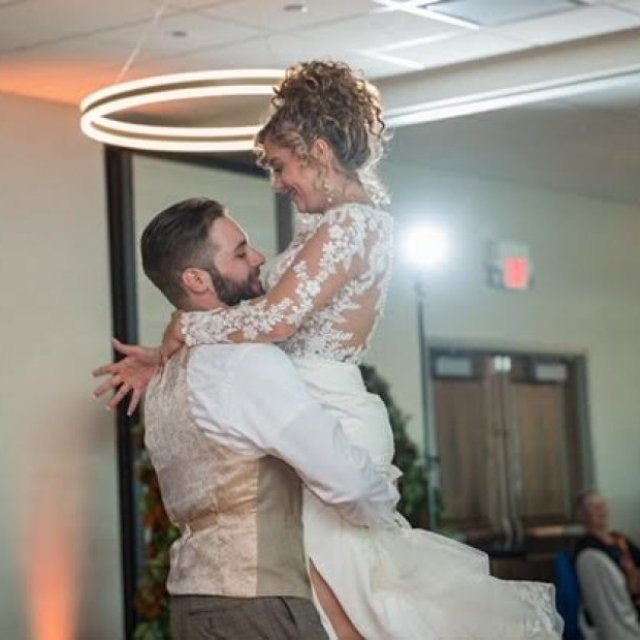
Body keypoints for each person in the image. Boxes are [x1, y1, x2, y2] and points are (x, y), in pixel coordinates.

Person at [94, 61, 563, 638]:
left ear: (318, 152)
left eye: (281, 166)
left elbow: (275, 318)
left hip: (330, 408)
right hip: (305, 401)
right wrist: (166, 351)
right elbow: (255, 310)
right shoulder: (327, 228)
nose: (277, 182)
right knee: (331, 586)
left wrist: (186, 330)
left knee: (340, 588)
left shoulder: (351, 227)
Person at [138, 197, 399, 640]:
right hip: (259, 606)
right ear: (197, 279)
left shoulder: (165, 378)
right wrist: (385, 500)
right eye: (240, 253)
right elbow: (349, 484)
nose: (259, 258)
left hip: (191, 603)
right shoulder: (247, 363)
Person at [575, 491, 640, 616]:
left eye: (602, 504)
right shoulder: (588, 549)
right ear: (583, 515)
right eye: (594, 506)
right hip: (622, 607)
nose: (601, 509)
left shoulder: (619, 538)